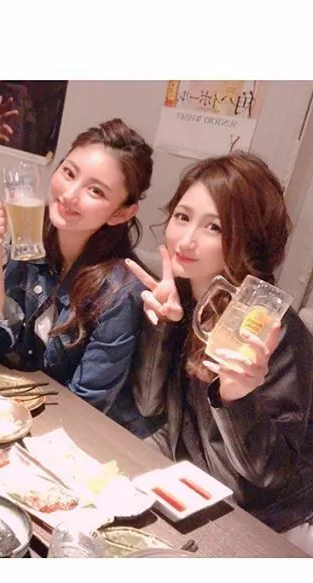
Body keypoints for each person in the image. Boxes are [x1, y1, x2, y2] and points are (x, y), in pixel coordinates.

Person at [125, 151, 313, 554]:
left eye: (214, 226)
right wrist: (163, 328)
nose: (186, 240)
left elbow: (268, 476)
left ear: (248, 238)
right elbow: (147, 406)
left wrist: (237, 398)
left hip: (264, 520)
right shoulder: (183, 296)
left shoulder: (273, 330)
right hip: (191, 485)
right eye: (182, 216)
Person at [0, 119, 156, 433]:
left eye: (95, 190)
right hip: (22, 413)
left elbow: (86, 406)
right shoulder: (34, 237)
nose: (70, 194)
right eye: (69, 173)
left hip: (77, 436)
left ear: (121, 213)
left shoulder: (120, 292)